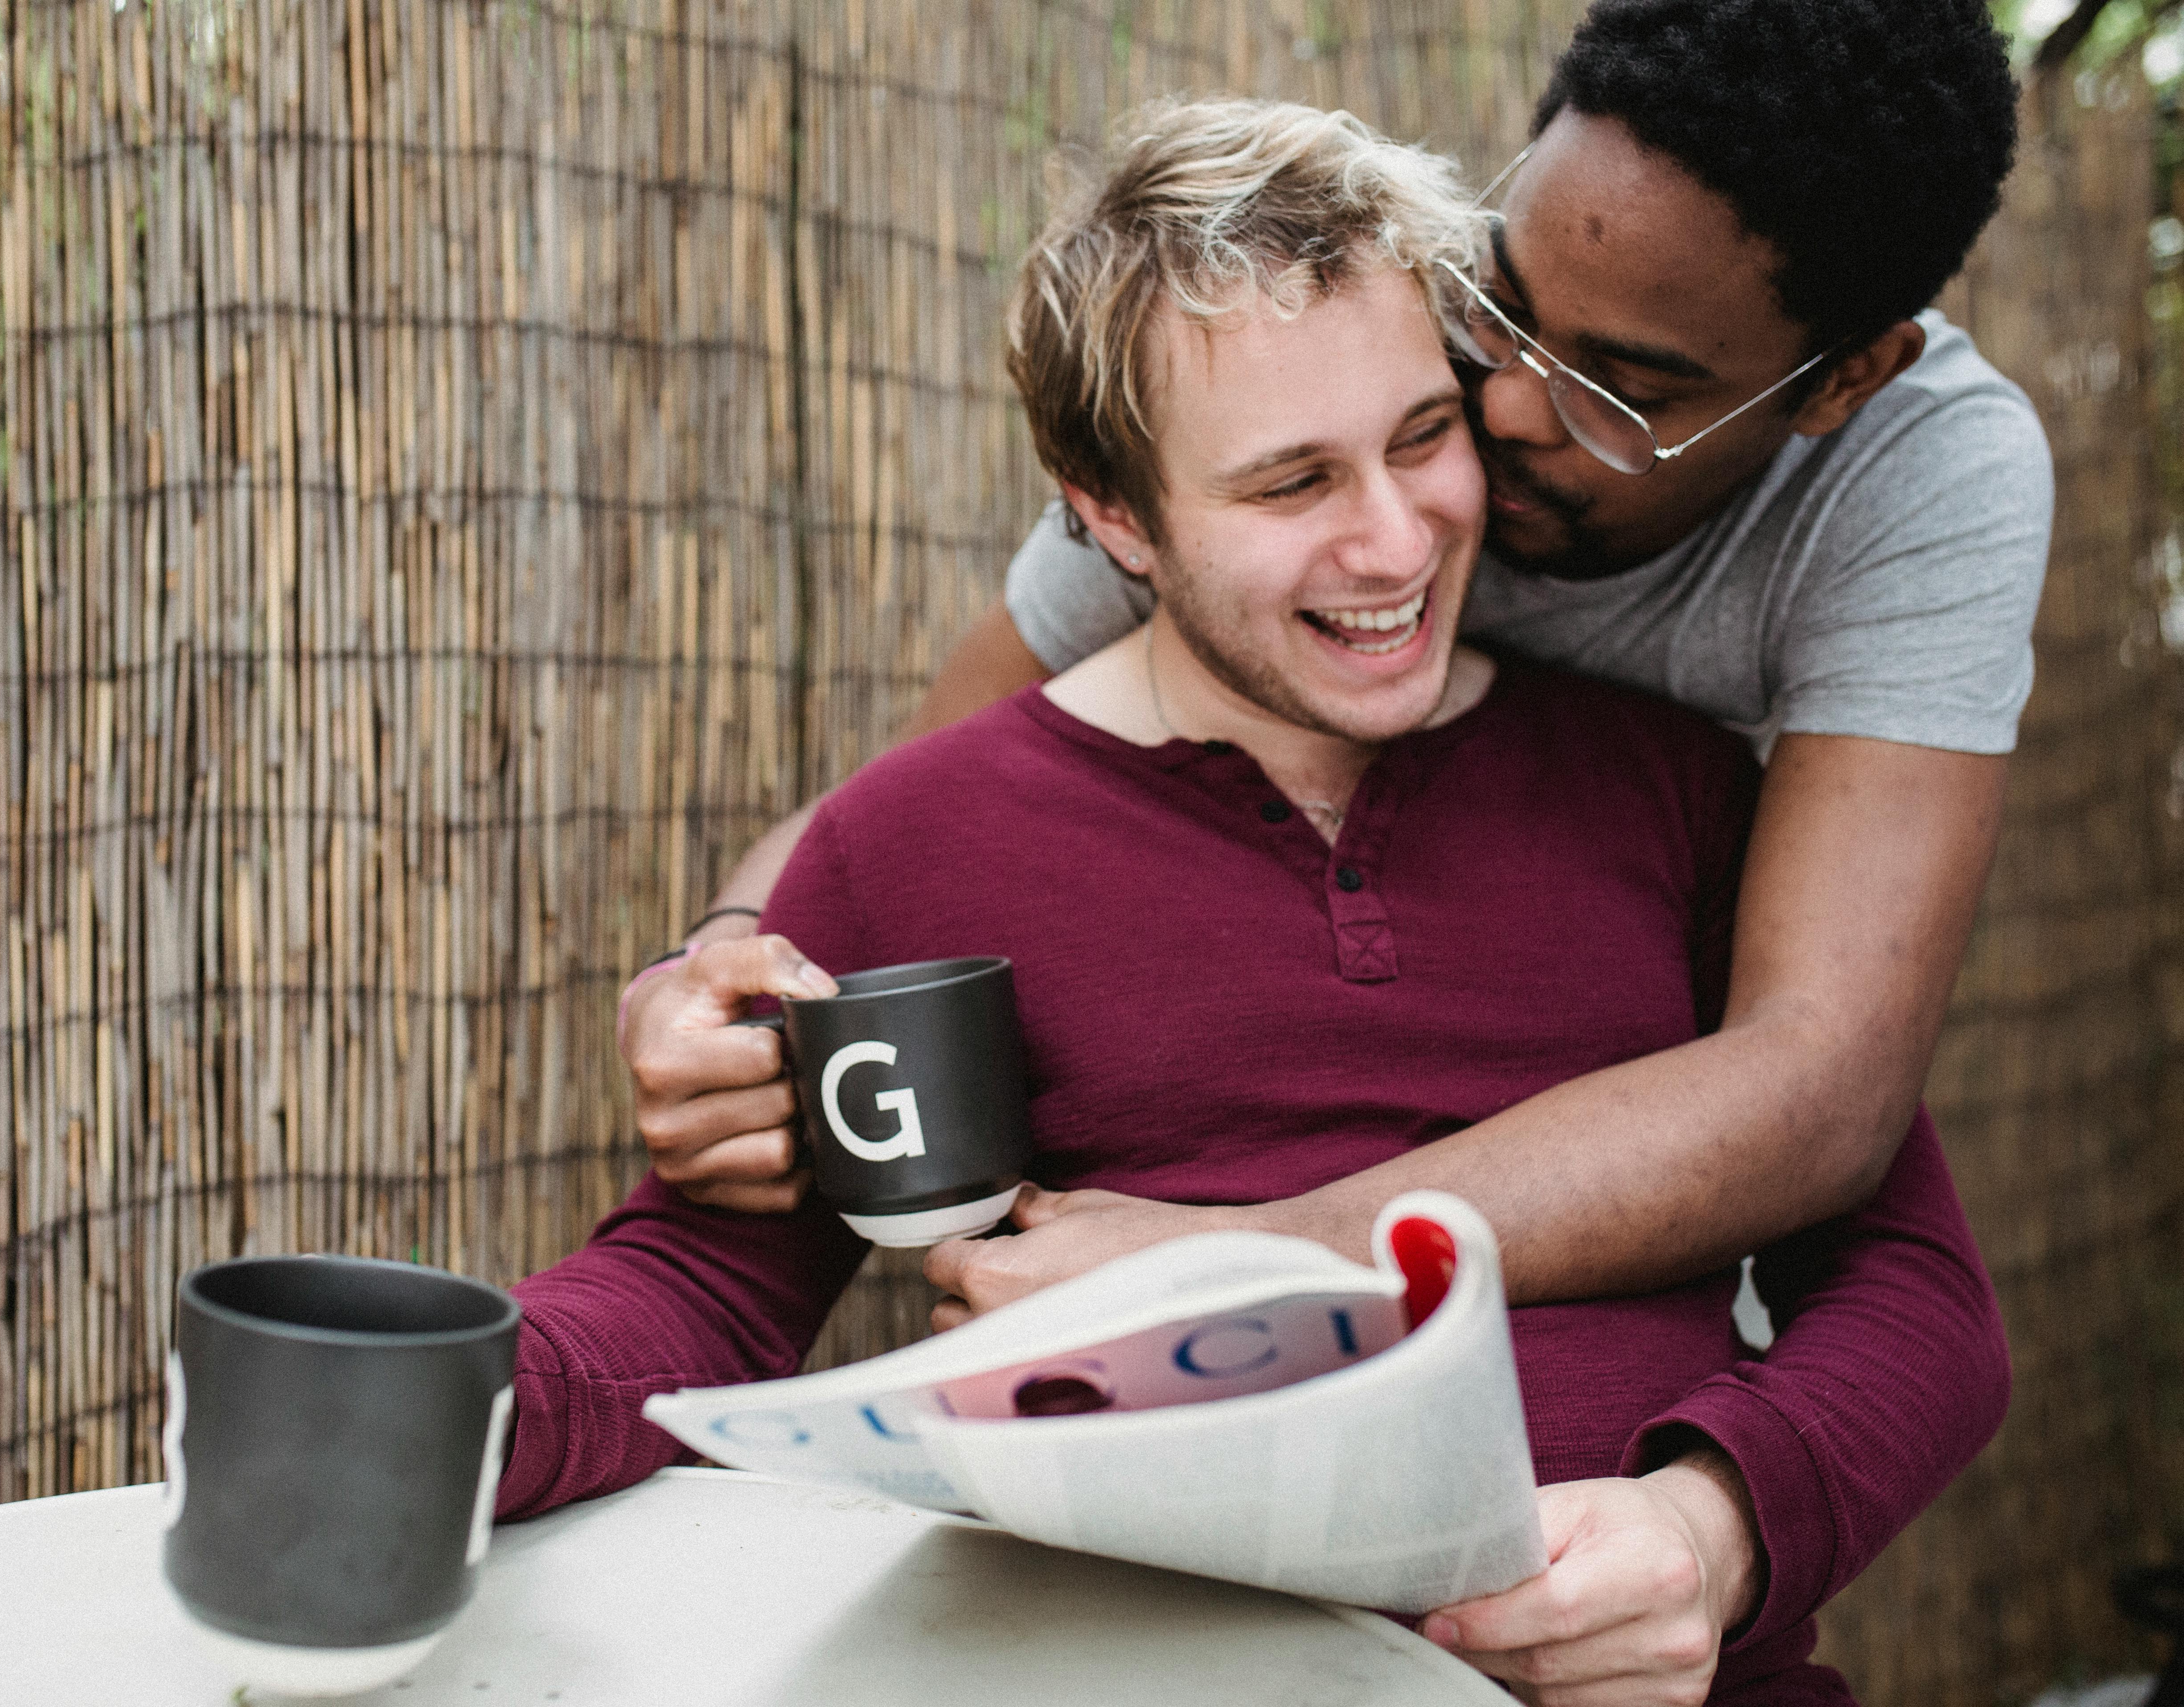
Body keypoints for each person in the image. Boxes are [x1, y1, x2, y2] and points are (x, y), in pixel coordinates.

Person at [510, 100, 2009, 1706]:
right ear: (1112, 518)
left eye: (1425, 437)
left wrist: (1711, 1532)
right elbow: (695, 1288)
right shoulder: (926, 842)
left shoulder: (1681, 797)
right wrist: (464, 1401)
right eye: (1293, 481)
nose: (1398, 539)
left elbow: (1918, 1301)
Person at [620, 0, 2048, 1317]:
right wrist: (722, 971)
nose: (1503, 409)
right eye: (1495, 306)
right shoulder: (1307, 372)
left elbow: (1821, 1086)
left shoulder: (1926, 479)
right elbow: (916, 816)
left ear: (1843, 384)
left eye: (1626, 392)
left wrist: (1263, 1254)